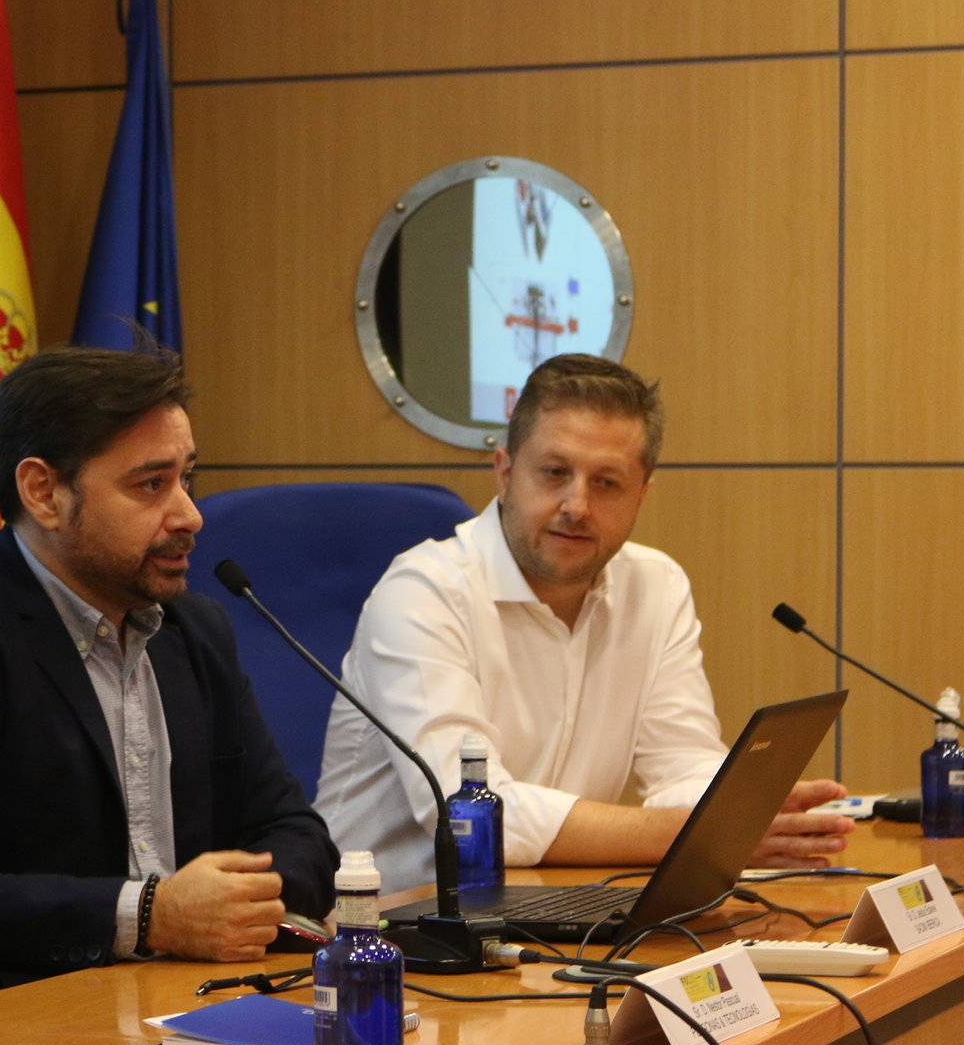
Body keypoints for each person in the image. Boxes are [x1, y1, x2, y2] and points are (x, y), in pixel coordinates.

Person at [0, 344, 337, 977]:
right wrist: (149, 916)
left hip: (191, 993)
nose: (190, 515)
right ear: (44, 492)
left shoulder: (194, 631)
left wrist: (233, 905)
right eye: (151, 485)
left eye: (187, 478)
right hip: (26, 1013)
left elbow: (298, 836)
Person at [314, 354, 851, 893]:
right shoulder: (423, 592)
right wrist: (703, 832)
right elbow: (470, 817)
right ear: (505, 473)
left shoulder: (655, 586)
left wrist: (749, 812)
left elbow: (681, 763)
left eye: (607, 483)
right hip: (386, 922)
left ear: (642, 495)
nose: (576, 505)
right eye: (554, 473)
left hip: (552, 908)